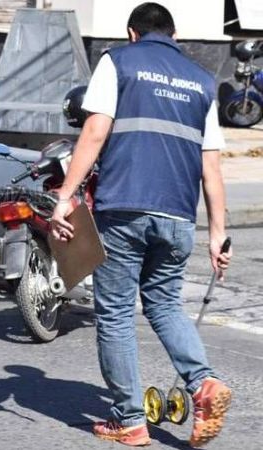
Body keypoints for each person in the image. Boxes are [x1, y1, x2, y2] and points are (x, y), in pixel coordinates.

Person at [49, 3, 233, 447]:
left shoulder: (118, 61)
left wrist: (65, 195)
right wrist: (217, 234)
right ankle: (203, 383)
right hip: (177, 216)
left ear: (133, 33)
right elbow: (212, 166)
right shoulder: (202, 81)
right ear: (174, 34)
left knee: (114, 315)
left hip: (125, 207)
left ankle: (129, 420)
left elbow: (94, 131)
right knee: (165, 305)